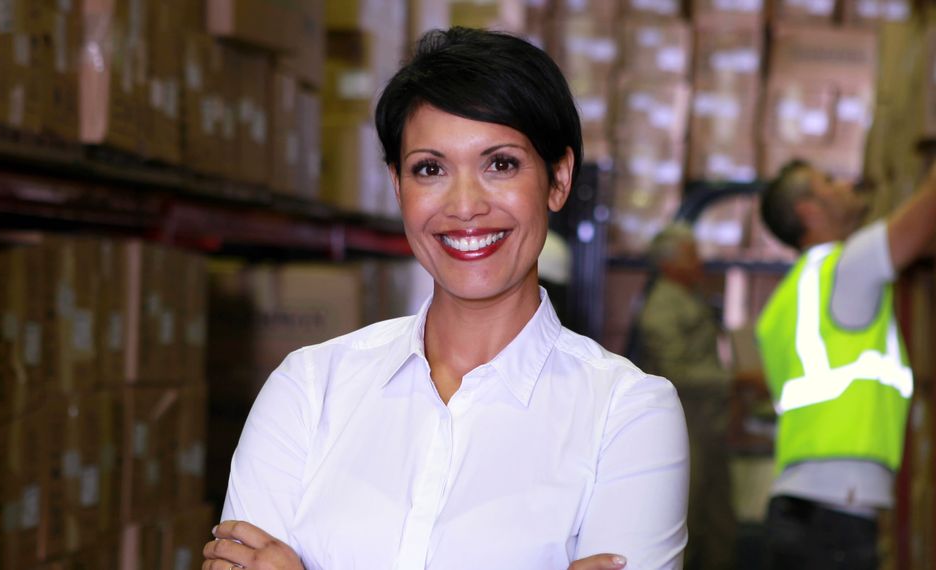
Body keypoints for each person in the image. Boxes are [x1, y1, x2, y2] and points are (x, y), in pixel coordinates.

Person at [201, 28, 689, 570]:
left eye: (500, 164)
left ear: (558, 178)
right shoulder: (309, 390)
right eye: (430, 169)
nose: (464, 206)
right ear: (398, 185)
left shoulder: (627, 415)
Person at [755, 159, 936, 569]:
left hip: (806, 507)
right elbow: (928, 211)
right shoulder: (847, 268)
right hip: (832, 517)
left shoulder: (791, 297)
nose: (847, 183)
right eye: (828, 182)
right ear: (810, 210)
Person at [635, 223, 737, 570]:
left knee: (718, 522)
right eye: (692, 256)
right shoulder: (662, 307)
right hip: (684, 428)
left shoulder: (688, 298)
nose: (700, 264)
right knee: (688, 522)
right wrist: (732, 381)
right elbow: (673, 373)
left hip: (708, 427)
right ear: (669, 263)